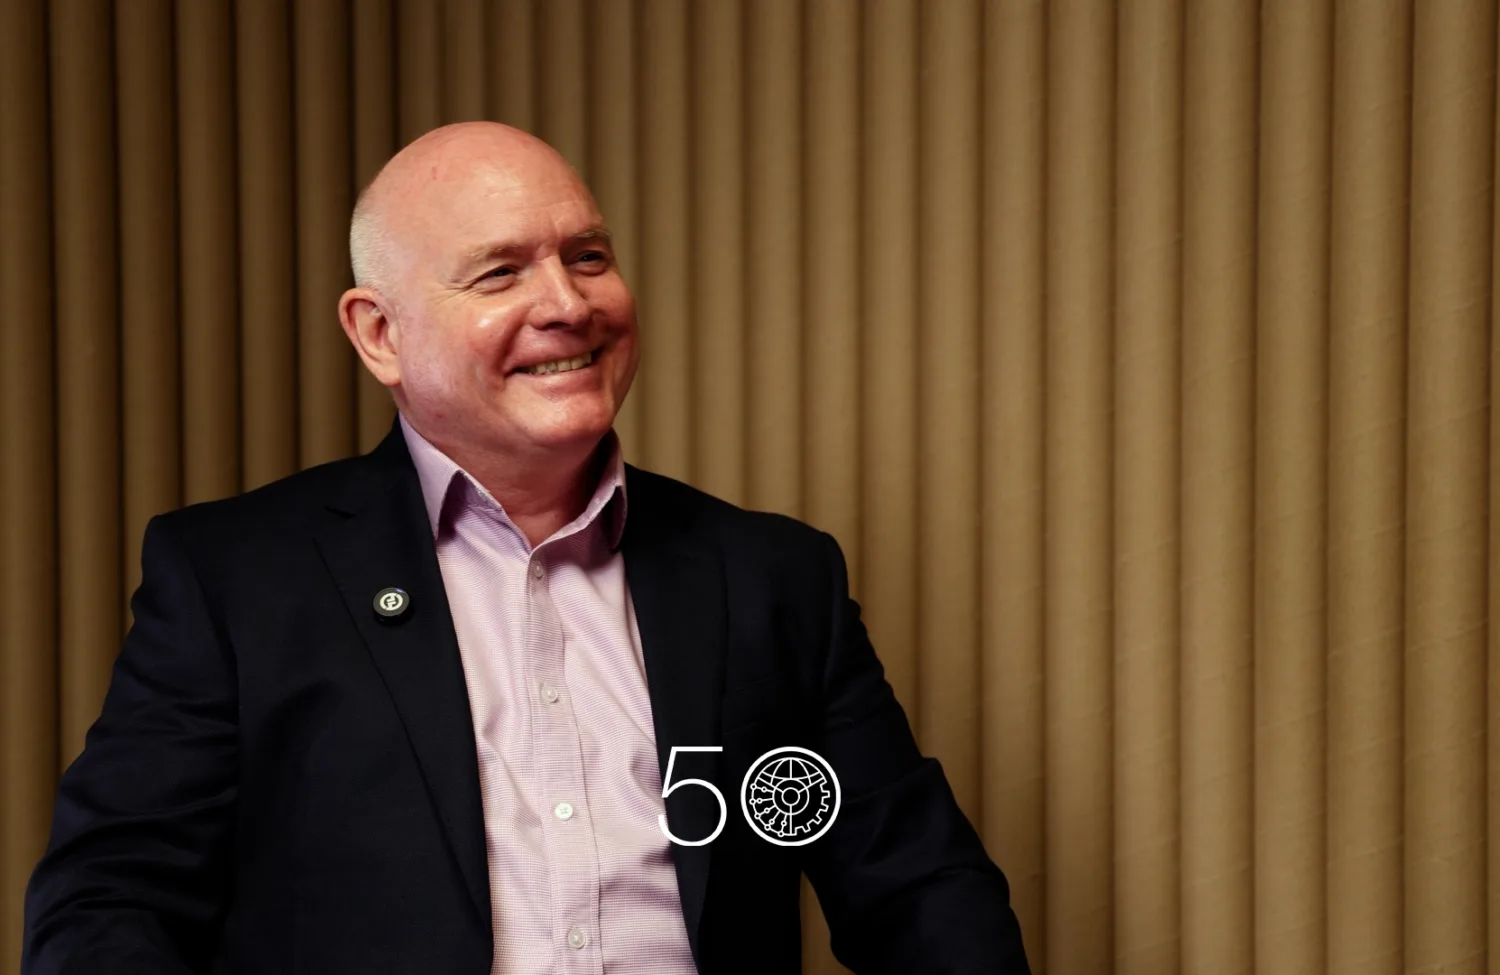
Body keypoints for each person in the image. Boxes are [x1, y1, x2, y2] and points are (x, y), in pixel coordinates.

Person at [22, 122, 1029, 974]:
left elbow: (919, 894)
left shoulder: (772, 579)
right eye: (501, 272)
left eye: (586, 257)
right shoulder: (237, 580)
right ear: (379, 334)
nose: (568, 304)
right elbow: (110, 904)